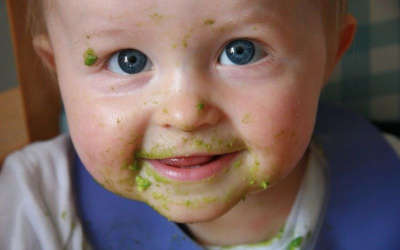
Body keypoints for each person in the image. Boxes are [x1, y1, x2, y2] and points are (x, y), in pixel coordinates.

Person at [1, 0, 400, 249]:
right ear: (58, 72)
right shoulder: (35, 205)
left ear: (330, 56)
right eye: (128, 60)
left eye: (241, 52)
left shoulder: (389, 181)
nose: (184, 113)